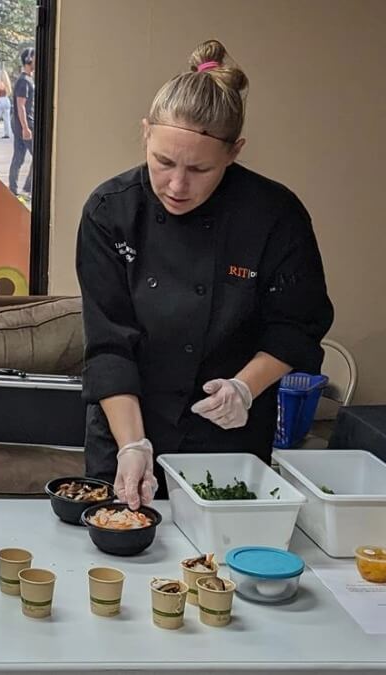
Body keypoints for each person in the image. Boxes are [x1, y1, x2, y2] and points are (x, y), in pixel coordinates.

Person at [76, 39, 334, 510]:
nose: (177, 185)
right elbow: (108, 343)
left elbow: (298, 326)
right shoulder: (109, 212)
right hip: (126, 427)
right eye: (164, 162)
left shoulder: (274, 215)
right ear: (146, 134)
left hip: (228, 435)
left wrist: (243, 388)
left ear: (235, 152)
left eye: (199, 168)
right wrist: (133, 445)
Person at [8, 47, 35, 197]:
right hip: (24, 124)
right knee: (38, 157)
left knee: (18, 157)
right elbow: (21, 105)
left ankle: (13, 190)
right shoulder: (24, 81)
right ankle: (28, 188)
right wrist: (25, 127)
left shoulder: (28, 79)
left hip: (21, 123)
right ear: (28, 60)